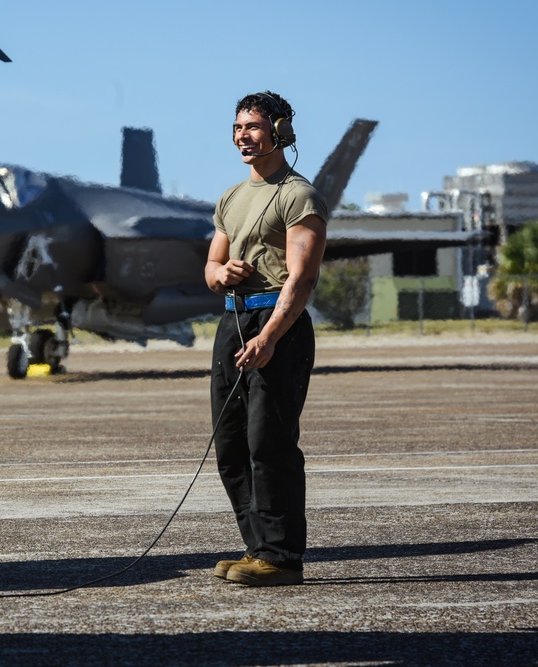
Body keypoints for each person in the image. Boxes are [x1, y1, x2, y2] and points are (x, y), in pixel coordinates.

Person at [204, 91, 328, 587]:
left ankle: (280, 556)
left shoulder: (299, 195)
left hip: (279, 325)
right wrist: (222, 271)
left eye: (252, 126)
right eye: (237, 127)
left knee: (269, 443)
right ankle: (257, 547)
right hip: (232, 323)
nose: (242, 136)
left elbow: (302, 279)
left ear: (280, 131)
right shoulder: (231, 197)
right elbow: (211, 266)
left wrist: (272, 337)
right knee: (231, 444)